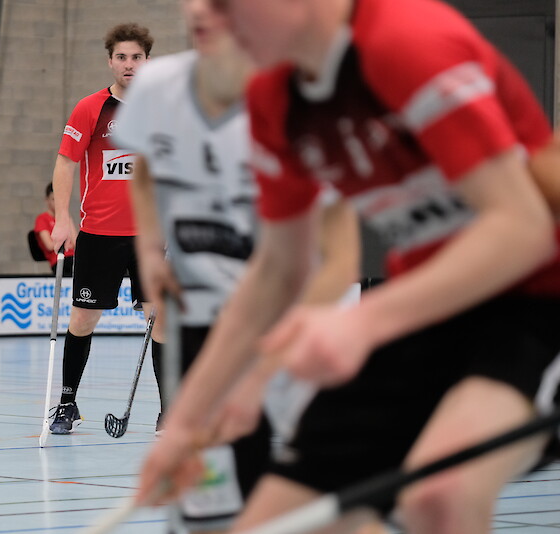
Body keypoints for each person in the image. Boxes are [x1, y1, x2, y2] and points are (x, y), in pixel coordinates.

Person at [136, 0, 560, 533]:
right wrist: (186, 423)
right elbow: (277, 271)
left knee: (440, 495)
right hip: (426, 312)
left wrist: (361, 322)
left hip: (538, 302)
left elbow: (523, 229)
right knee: (280, 525)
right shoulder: (272, 98)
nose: (204, 15)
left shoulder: (407, 41)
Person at [113, 1, 365, 531]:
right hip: (205, 322)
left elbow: (338, 263)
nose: (200, 11)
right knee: (208, 504)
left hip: (298, 330)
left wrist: (259, 373)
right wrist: (150, 253)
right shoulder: (159, 88)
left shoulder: (307, 99)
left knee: (324, 510)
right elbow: (144, 173)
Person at [48, 23, 165, 435]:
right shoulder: (90, 108)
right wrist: (63, 218)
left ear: (147, 61)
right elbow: (66, 162)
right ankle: (67, 404)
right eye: (121, 57)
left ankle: (170, 411)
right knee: (83, 320)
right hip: (99, 234)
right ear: (110, 61)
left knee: (160, 320)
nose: (129, 64)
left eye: (136, 57)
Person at [34, 183, 75, 277]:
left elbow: (75, 243)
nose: (57, 203)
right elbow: (49, 245)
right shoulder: (42, 219)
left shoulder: (67, 218)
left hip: (73, 258)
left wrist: (68, 218)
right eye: (53, 199)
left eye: (60, 199)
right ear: (47, 200)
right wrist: (67, 244)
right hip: (58, 260)